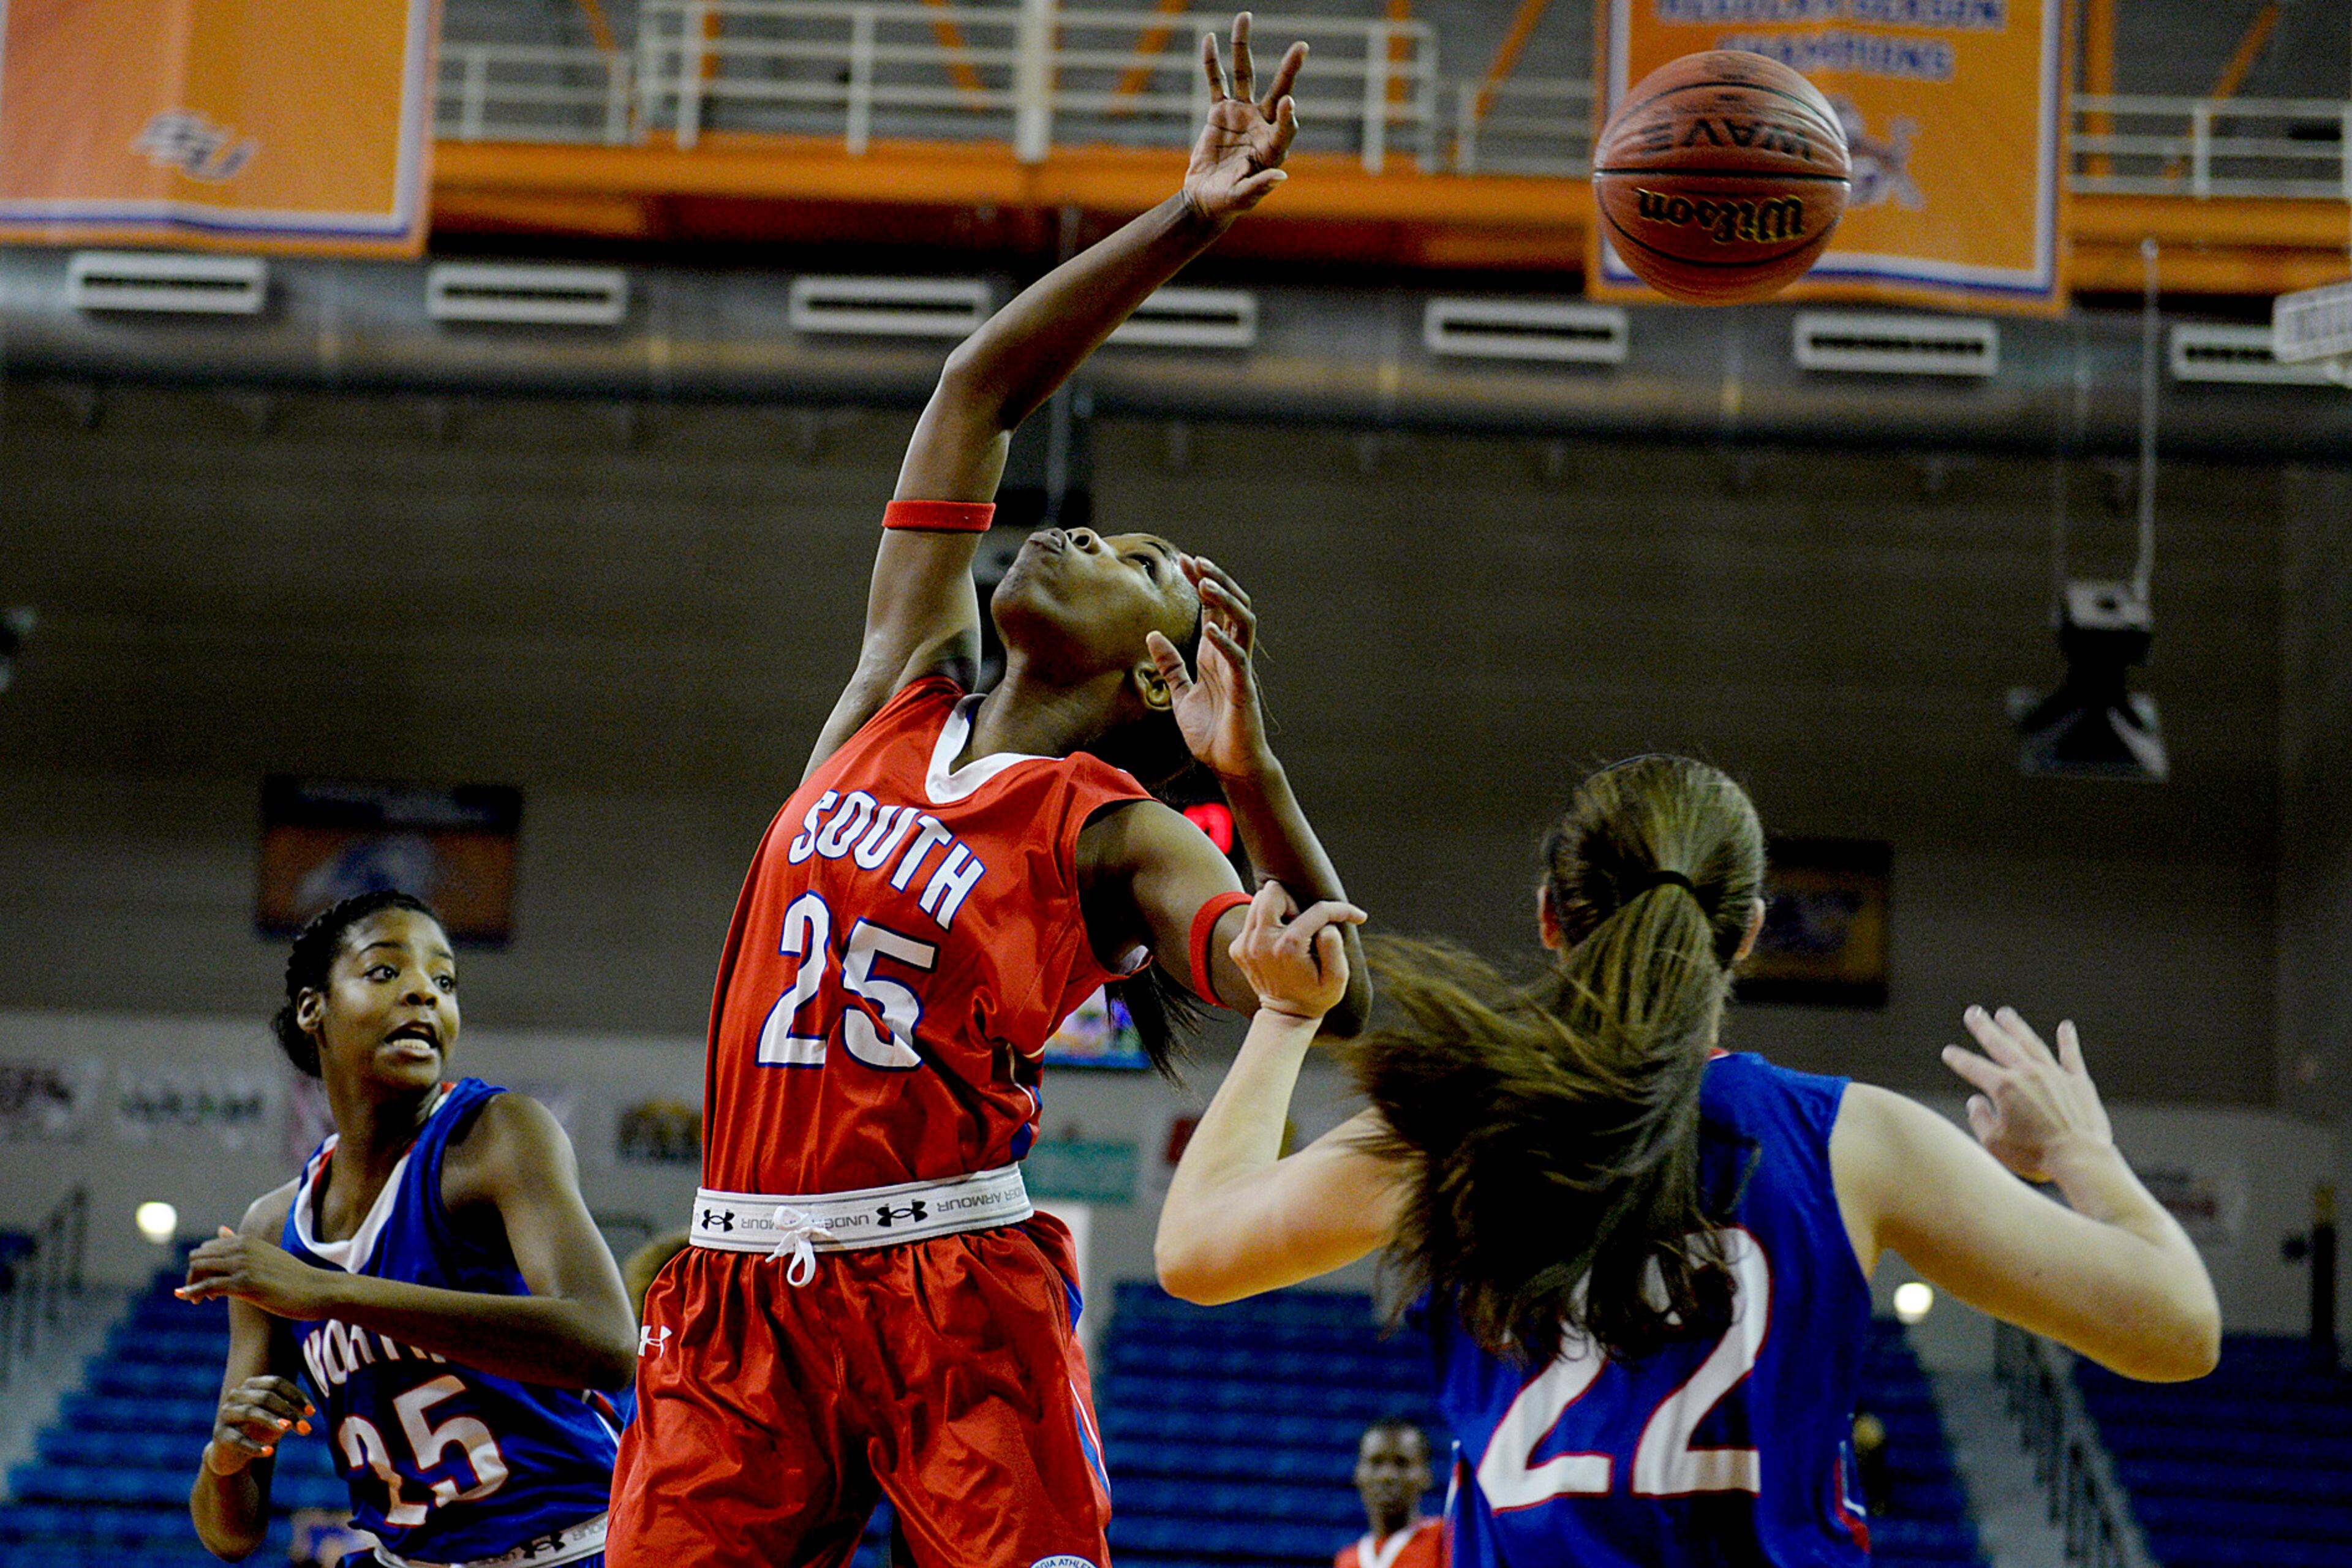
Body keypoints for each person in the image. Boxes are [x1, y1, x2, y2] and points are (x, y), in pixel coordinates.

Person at [608, 17, 1366, 1567]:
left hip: (954, 1294)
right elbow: (973, 385)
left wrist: (1260, 779)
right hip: (741, 1289)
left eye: (1135, 558)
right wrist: (1185, 220)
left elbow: (1316, 986)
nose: (1077, 535)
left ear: (1163, 672)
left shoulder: (1117, 825)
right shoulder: (893, 690)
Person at [1157, 755, 2221, 1568]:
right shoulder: (1855, 1139)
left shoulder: (1458, 1121)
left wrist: (1287, 1021)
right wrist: (2083, 1152)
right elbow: (2176, 1328)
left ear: (1548, 918)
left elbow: (1196, 1251)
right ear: (1750, 932)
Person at [186, 889, 637, 1568]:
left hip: (574, 1548)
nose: (424, 993)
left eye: (445, 980)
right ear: (314, 1008)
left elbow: (608, 1342)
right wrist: (224, 1459)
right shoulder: (275, 1224)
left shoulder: (495, 1135)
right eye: (386, 972)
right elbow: (231, 1535)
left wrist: (332, 1293)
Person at [1338, 1420, 1444, 1568]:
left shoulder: (1448, 1540)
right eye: (1376, 1463)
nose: (1387, 1476)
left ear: (1427, 1476)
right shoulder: (1347, 1559)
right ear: (1357, 1474)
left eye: (1402, 1463)